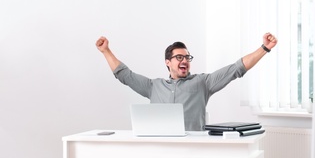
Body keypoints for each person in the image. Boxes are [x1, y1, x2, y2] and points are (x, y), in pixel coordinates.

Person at [96, 33, 278, 131]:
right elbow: (124, 75)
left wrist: (264, 48)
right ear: (168, 62)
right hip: (161, 145)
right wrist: (106, 51)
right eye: (179, 57)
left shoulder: (203, 83)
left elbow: (236, 69)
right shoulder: (153, 87)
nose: (185, 60)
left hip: (194, 145)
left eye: (187, 57)